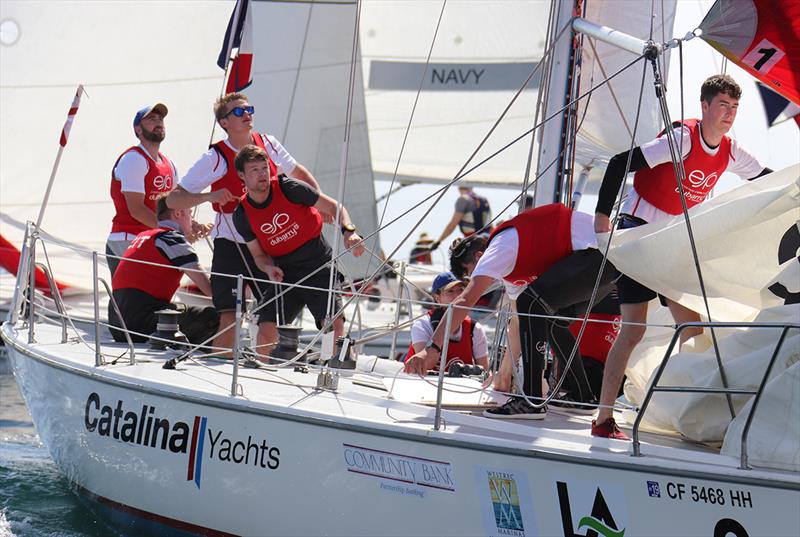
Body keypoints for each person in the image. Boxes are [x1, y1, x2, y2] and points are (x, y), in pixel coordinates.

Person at [592, 74, 772, 439]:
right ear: (704, 106)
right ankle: (603, 418)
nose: (729, 114)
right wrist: (601, 219)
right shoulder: (682, 140)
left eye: (735, 107)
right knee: (633, 331)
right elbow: (618, 163)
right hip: (640, 235)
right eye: (722, 105)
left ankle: (676, 402)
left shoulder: (732, 150)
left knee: (692, 327)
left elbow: (767, 179)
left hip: (671, 244)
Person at [406, 203, 617, 420]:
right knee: (547, 317)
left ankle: (532, 401)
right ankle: (582, 397)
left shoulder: (500, 249)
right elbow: (518, 322)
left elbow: (465, 299)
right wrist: (504, 373)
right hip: (607, 264)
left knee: (532, 303)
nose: (476, 276)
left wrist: (432, 348)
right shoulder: (512, 271)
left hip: (600, 253)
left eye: (471, 272)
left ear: (479, 257)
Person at [166, 92, 322, 355]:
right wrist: (208, 196)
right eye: (238, 112)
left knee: (273, 315)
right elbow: (173, 199)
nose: (247, 114)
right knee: (229, 314)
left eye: (248, 109)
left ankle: (262, 370)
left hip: (265, 241)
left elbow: (297, 172)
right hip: (230, 243)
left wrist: (316, 202)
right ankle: (220, 368)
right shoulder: (214, 158)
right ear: (223, 122)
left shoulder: (268, 145)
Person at [231, 144, 365, 359]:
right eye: (254, 170)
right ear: (242, 176)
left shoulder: (289, 188)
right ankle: (263, 374)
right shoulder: (242, 215)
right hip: (285, 271)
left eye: (264, 168)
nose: (262, 174)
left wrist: (348, 231)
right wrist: (268, 267)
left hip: (317, 263)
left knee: (332, 323)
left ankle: (333, 370)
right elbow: (258, 255)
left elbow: (334, 207)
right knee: (266, 330)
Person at [109, 196, 218, 345]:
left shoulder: (146, 235)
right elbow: (209, 289)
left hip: (117, 323)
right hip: (141, 320)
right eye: (190, 213)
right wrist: (234, 304)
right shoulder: (171, 239)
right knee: (213, 317)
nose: (193, 220)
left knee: (186, 314)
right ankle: (212, 357)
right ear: (178, 213)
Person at [107, 104, 181, 275]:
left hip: (154, 239)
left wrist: (191, 225)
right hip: (128, 239)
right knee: (128, 299)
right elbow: (137, 209)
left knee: (150, 298)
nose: (158, 123)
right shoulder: (134, 159)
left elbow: (176, 204)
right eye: (151, 119)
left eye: (160, 119)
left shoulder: (169, 163)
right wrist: (173, 231)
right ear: (138, 129)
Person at [404, 271, 489, 371]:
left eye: (461, 290)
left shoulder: (474, 328)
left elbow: (484, 371)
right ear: (437, 298)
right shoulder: (423, 325)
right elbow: (425, 365)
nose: (458, 296)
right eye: (450, 291)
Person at [429, 186, 492, 251]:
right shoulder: (484, 199)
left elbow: (453, 224)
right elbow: (490, 223)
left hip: (473, 242)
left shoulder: (463, 199)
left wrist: (438, 241)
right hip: (487, 240)